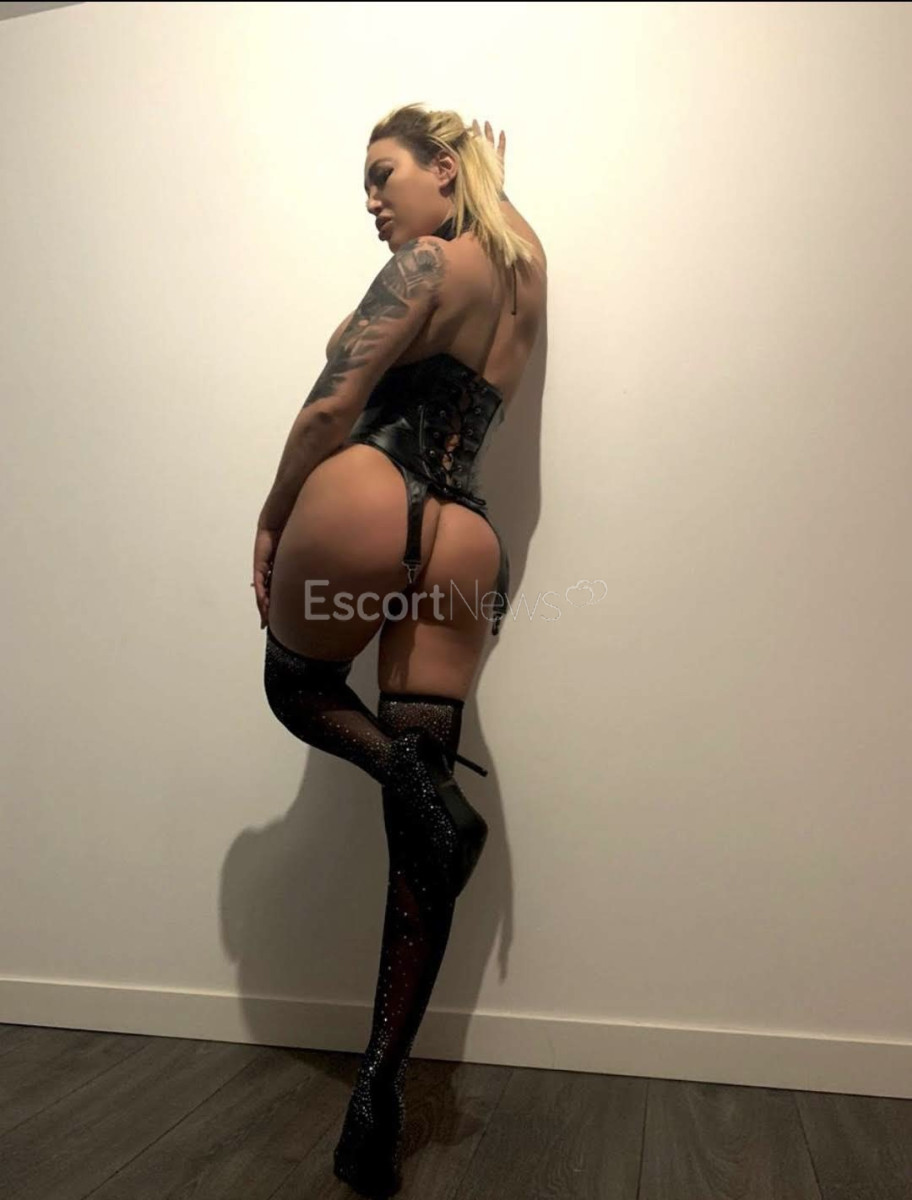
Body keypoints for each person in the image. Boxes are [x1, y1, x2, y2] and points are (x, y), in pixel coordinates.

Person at [251, 105, 547, 1197]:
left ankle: (417, 788)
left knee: (294, 682)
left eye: (384, 174)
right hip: (465, 536)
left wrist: (273, 515)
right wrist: (494, 183)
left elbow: (330, 406)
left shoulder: (425, 264)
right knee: (416, 844)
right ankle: (380, 1091)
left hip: (370, 493)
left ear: (444, 167)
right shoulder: (527, 265)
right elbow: (502, 232)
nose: (371, 199)